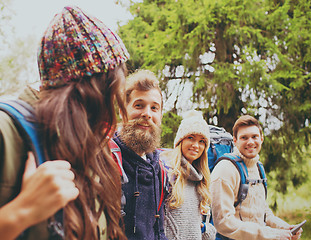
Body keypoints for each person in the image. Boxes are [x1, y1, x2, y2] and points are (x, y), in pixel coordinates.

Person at [0, 5, 129, 240]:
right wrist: (20, 213)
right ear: (84, 97)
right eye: (108, 99)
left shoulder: (92, 144)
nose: (113, 115)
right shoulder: (6, 133)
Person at [210, 115, 303, 240]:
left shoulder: (258, 167)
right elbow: (223, 222)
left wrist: (285, 228)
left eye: (254, 137)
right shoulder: (225, 169)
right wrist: (270, 234)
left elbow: (263, 212)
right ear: (235, 141)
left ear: (261, 139)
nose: (250, 142)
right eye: (244, 137)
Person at [112, 69, 167, 240]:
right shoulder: (105, 159)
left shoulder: (159, 167)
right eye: (139, 105)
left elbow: (158, 229)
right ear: (122, 111)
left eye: (154, 108)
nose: (147, 114)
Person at [160, 110, 217, 240]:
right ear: (180, 141)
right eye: (190, 138)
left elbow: (199, 224)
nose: (196, 145)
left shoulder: (201, 179)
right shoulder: (166, 171)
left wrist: (203, 228)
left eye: (202, 141)